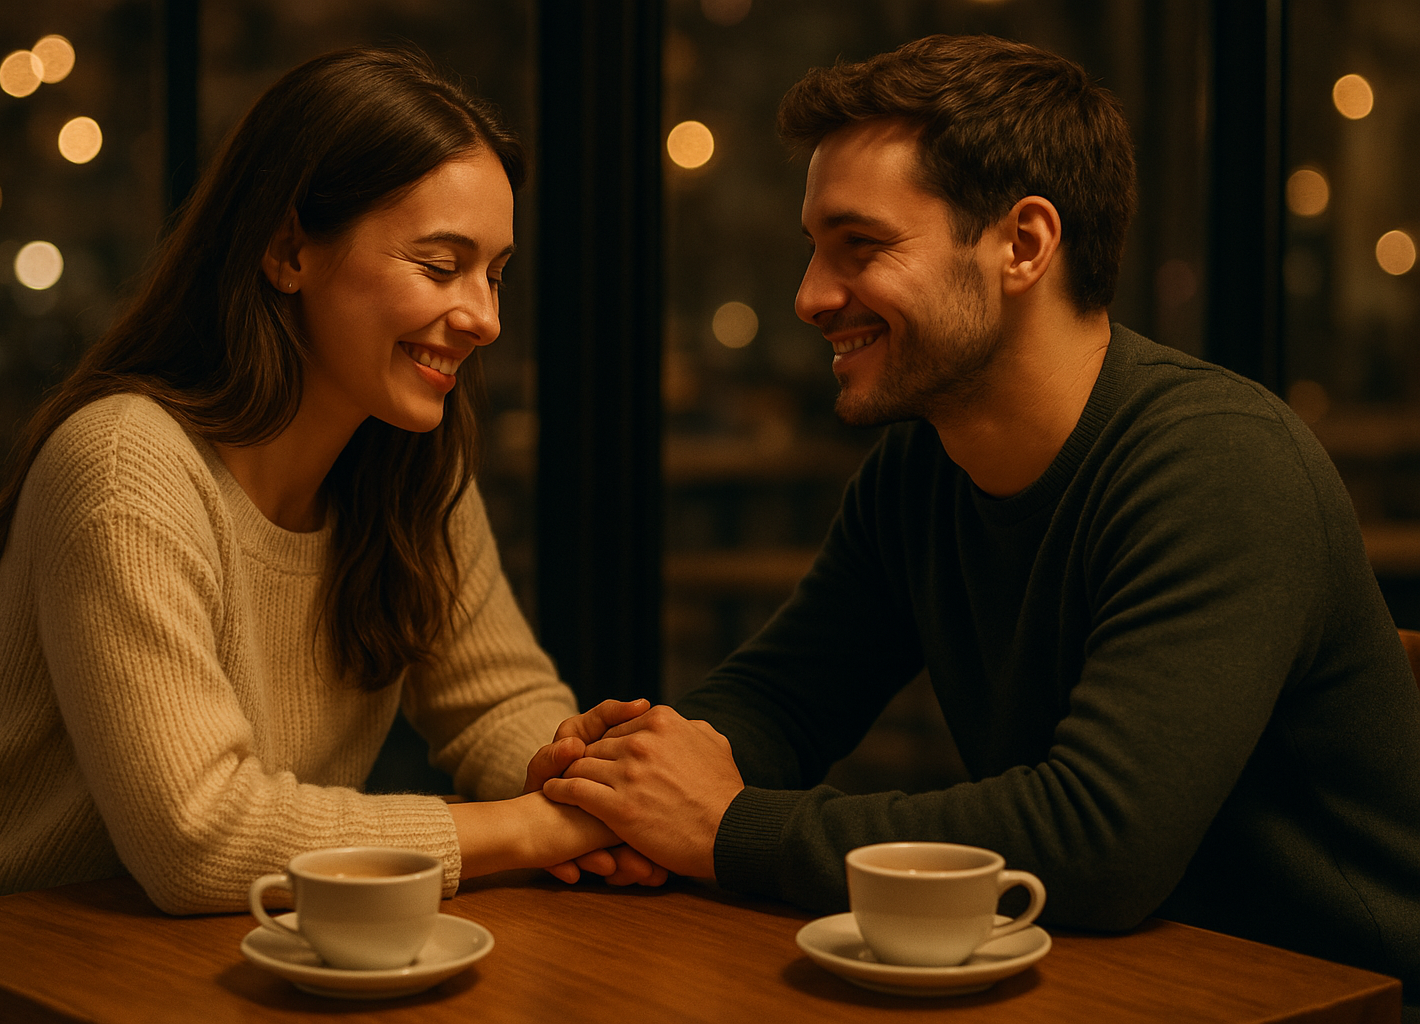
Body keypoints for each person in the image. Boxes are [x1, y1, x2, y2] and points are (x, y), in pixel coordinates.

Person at [538, 35, 1420, 1000]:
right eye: (813, 251)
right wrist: (627, 782)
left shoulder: (1219, 461)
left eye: (860, 247)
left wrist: (725, 827)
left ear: (1024, 244)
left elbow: (1099, 841)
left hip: (1337, 991)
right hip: (1119, 976)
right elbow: (785, 698)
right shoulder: (922, 468)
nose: (810, 297)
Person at [0, 46, 662, 914]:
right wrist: (533, 829)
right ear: (287, 249)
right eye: (441, 265)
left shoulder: (410, 460)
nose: (485, 318)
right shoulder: (124, 467)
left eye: (495, 273)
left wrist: (590, 793)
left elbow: (499, 701)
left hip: (220, 939)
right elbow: (201, 838)